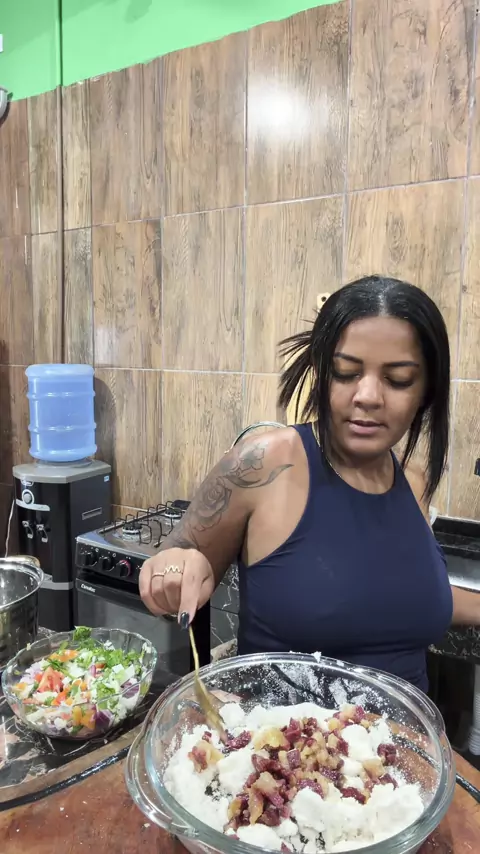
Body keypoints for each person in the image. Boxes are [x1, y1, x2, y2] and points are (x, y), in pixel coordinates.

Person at [139, 275, 480, 692]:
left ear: (426, 390)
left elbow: (404, 593)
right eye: (346, 372)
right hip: (278, 731)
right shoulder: (264, 462)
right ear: (321, 374)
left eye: (398, 379)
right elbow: (179, 558)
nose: (368, 395)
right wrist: (173, 569)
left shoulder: (414, 481)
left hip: (403, 731)